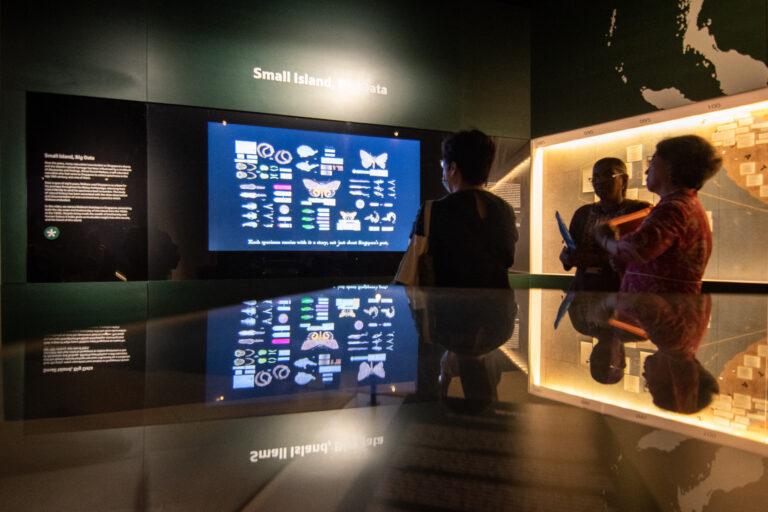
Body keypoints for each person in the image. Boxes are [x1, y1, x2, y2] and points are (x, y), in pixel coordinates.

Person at [595, 135, 722, 293]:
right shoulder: (684, 204)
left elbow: (637, 250)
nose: (647, 170)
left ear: (670, 168)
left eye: (652, 163)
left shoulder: (674, 209)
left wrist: (605, 237)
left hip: (663, 306)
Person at [405, 129, 518, 288]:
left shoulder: (432, 211)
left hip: (447, 304)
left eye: (443, 165)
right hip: (499, 303)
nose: (443, 173)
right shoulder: (507, 210)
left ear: (452, 168)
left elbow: (408, 272)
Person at [560, 158, 650, 291]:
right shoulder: (582, 213)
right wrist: (566, 257)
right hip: (583, 289)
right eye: (595, 177)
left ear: (624, 180)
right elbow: (569, 251)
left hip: (620, 290)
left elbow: (642, 255)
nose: (600, 181)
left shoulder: (638, 210)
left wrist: (596, 259)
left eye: (608, 175)